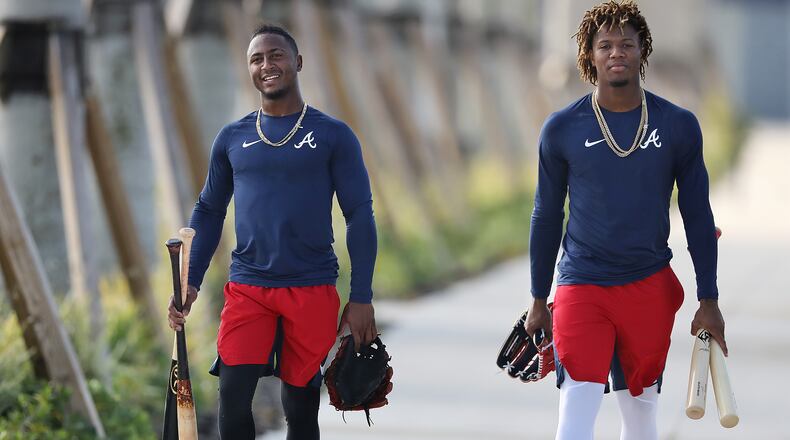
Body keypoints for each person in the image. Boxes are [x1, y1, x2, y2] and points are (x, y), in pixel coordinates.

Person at [525, 2, 727, 439]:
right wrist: (539, 297)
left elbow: (697, 214)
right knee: (575, 412)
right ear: (590, 55)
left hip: (648, 286)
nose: (616, 52)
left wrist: (708, 299)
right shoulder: (561, 128)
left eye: (626, 44)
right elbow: (546, 214)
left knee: (640, 416)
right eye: (605, 45)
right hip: (582, 284)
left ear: (642, 51)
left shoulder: (678, 126)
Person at [167, 24, 378, 440]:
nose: (267, 65)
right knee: (232, 398)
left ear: (297, 62)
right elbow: (209, 210)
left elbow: (359, 215)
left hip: (312, 287)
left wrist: (361, 297)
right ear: (248, 69)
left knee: (300, 408)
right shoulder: (232, 138)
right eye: (256, 59)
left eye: (276, 55)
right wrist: (190, 281)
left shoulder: (333, 135)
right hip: (249, 288)